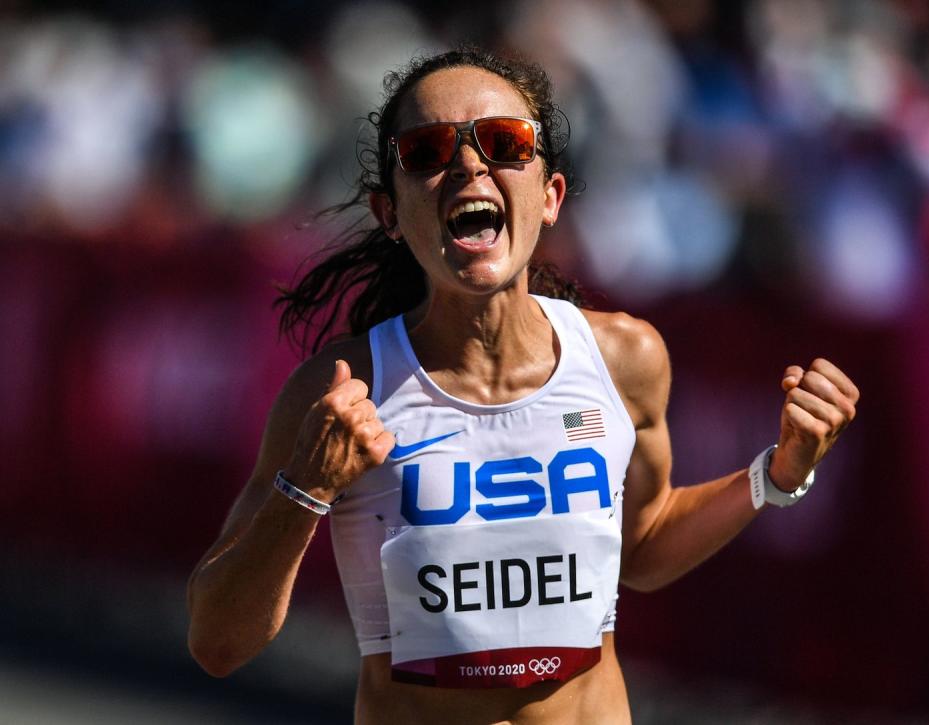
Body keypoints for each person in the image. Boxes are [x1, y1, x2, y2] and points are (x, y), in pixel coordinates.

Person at [186, 47, 859, 724]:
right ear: (389, 213)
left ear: (550, 196)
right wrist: (306, 487)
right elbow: (217, 642)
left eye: (505, 144)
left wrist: (776, 475)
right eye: (428, 150)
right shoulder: (341, 390)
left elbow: (643, 544)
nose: (469, 165)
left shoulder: (625, 358)